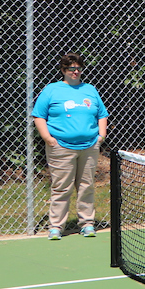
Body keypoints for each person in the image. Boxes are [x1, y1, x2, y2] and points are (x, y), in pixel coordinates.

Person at [32, 52, 109, 240]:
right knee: (61, 187)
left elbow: (101, 114)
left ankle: (87, 224)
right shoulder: (52, 90)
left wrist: (101, 135)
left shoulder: (90, 89)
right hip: (61, 147)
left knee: (86, 186)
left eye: (78, 68)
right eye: (71, 69)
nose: (75, 72)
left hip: (89, 146)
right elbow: (39, 116)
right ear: (63, 70)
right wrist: (48, 138)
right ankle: (56, 226)